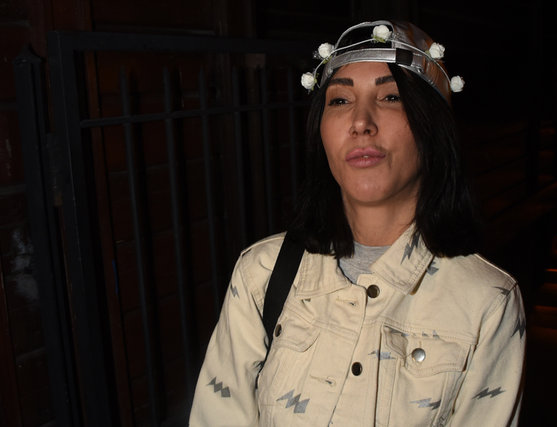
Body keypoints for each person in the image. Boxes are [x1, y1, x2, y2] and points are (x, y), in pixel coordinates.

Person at [190, 20, 526, 426]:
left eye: (390, 97)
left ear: (433, 128)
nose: (361, 121)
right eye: (340, 100)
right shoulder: (262, 273)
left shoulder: (487, 302)